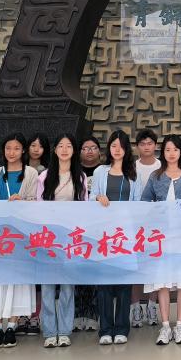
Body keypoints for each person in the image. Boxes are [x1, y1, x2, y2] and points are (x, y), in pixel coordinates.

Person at [140, 135, 181, 346]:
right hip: (161, 238)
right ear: (162, 153)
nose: (171, 153)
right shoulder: (155, 177)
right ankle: (165, 326)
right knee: (162, 281)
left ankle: (180, 324)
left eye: (175, 149)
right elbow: (145, 202)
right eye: (167, 150)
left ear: (180, 152)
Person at [0, 132, 39, 347]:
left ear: (23, 150)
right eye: (8, 148)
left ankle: (12, 326)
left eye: (16, 148)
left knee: (19, 280)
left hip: (22, 234)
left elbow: (35, 201)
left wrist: (22, 200)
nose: (12, 152)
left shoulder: (31, 172)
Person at [90, 130, 142, 345]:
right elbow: (90, 198)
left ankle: (121, 328)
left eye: (121, 146)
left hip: (125, 235)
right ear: (109, 148)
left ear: (126, 149)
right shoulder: (100, 171)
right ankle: (105, 329)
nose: (117, 149)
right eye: (113, 145)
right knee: (104, 284)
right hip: (103, 235)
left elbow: (138, 204)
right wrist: (97, 198)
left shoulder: (134, 174)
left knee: (123, 283)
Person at [37, 134, 86, 348]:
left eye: (69, 146)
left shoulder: (80, 177)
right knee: (48, 286)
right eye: (60, 146)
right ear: (55, 150)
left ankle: (64, 331)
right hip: (48, 238)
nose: (64, 149)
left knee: (67, 286)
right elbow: (38, 207)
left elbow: (84, 207)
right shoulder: (44, 177)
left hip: (70, 239)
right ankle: (49, 331)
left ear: (74, 150)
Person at [132, 128, 161, 327]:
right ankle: (135, 307)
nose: (146, 147)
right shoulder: (132, 167)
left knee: (154, 266)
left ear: (156, 146)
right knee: (135, 266)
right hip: (135, 223)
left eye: (150, 143)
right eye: (142, 144)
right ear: (137, 147)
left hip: (157, 224)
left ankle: (152, 305)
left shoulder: (162, 166)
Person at [75, 135, 104, 331]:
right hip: (77, 227)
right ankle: (78, 315)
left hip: (98, 228)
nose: (89, 151)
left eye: (93, 147)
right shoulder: (74, 172)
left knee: (95, 272)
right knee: (78, 271)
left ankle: (93, 315)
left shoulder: (104, 171)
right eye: (85, 148)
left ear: (99, 151)